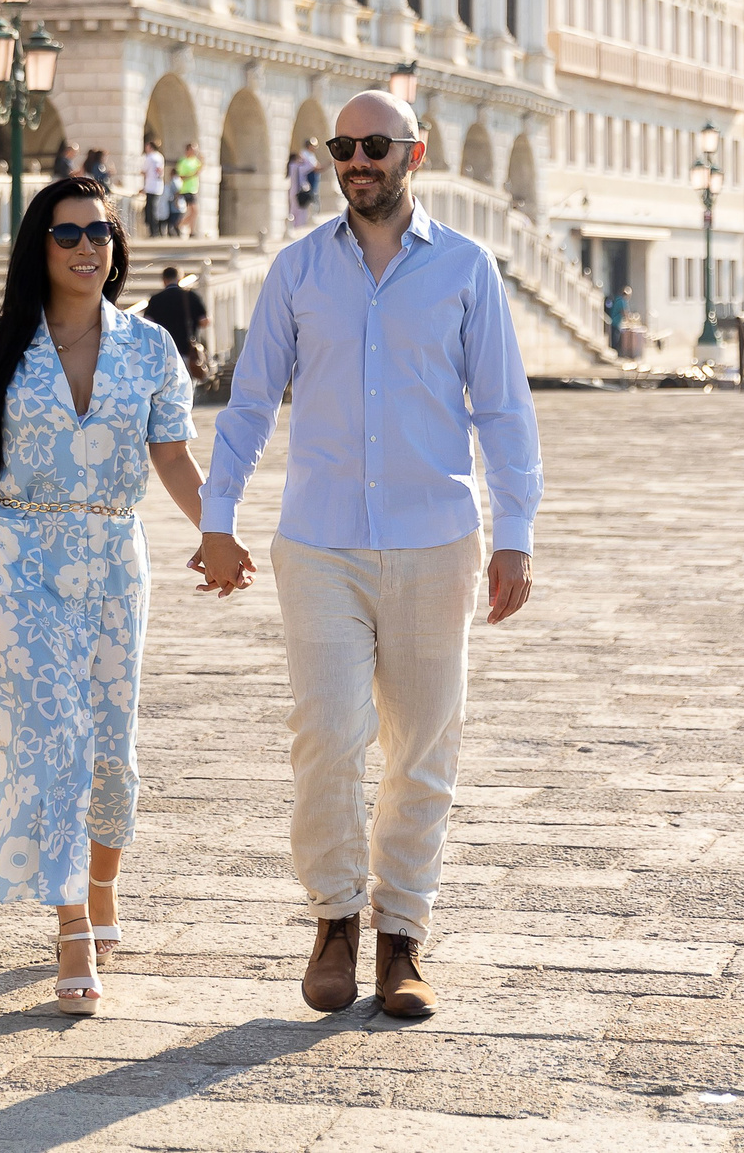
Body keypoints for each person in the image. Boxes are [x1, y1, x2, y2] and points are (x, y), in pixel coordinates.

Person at [197, 90, 541, 1020]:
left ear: (412, 154)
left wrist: (515, 532)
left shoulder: (466, 267)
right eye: (343, 145)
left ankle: (402, 938)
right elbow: (251, 399)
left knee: (424, 748)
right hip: (320, 542)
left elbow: (503, 409)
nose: (357, 159)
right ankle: (335, 920)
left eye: (375, 144)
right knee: (327, 737)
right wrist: (218, 516)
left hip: (438, 540)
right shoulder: (298, 268)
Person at [0, 176, 202, 1014]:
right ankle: (72, 919)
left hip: (114, 558)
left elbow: (172, 455)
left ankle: (101, 886)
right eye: (67, 232)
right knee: (55, 728)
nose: (85, 247)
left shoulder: (150, 347)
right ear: (39, 245)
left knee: (112, 740)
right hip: (18, 555)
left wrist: (217, 529)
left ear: (116, 245)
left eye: (99, 232)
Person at [144, 265, 211, 384]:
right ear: (180, 278)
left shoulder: (156, 299)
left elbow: (147, 324)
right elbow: (204, 321)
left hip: (163, 351)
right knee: (188, 385)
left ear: (164, 280)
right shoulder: (190, 296)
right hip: (186, 349)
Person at [286, 142, 320, 230]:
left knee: (293, 210)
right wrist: (305, 157)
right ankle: (299, 228)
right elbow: (311, 166)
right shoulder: (298, 167)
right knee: (301, 211)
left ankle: (292, 227)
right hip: (299, 192)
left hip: (292, 191)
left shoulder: (291, 166)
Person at [140, 137, 169, 238]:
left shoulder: (150, 157)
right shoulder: (160, 157)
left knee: (150, 210)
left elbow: (144, 171)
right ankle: (156, 229)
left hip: (150, 186)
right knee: (155, 209)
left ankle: (154, 231)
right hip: (158, 186)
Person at [175, 143, 204, 238]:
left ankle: (190, 230)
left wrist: (203, 159)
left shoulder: (195, 161)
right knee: (194, 210)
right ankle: (180, 225)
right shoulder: (183, 161)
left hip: (194, 189)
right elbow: (181, 176)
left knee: (192, 212)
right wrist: (192, 174)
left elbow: (200, 169)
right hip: (186, 189)